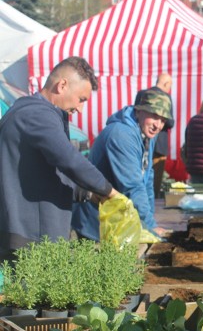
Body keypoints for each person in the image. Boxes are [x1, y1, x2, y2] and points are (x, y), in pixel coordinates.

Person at [0, 57, 117, 260]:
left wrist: (88, 194)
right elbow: (68, 158)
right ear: (62, 85)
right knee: (33, 292)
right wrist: (107, 189)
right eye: (81, 99)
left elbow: (47, 172)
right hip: (31, 238)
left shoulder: (33, 111)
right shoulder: (36, 114)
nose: (80, 109)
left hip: (31, 234)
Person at [72, 89, 172, 240]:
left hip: (115, 221)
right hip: (96, 223)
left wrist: (150, 221)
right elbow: (132, 186)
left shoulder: (146, 134)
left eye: (163, 120)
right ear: (138, 111)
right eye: (154, 116)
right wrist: (151, 226)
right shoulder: (121, 134)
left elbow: (147, 179)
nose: (158, 125)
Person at [134, 73, 174, 198]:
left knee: (140, 173)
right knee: (154, 180)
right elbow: (171, 122)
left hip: (140, 139)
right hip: (158, 144)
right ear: (166, 84)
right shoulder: (166, 97)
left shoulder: (142, 93)